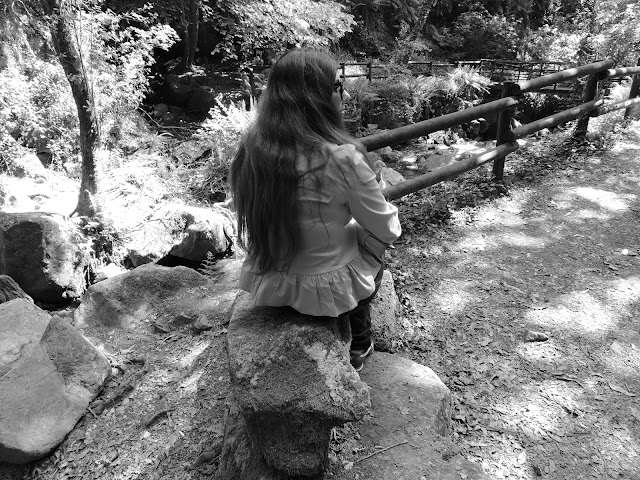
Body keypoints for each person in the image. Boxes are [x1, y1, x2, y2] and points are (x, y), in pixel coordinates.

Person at [229, 48, 401, 372]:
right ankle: (359, 343)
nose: (345, 95)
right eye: (338, 86)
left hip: (272, 281)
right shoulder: (342, 159)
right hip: (326, 290)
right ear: (313, 98)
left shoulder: (252, 149)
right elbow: (387, 229)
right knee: (372, 246)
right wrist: (372, 201)